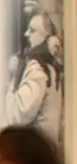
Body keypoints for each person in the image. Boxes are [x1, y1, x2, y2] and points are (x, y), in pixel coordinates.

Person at [6, 13, 62, 144]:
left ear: (46, 37)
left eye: (32, 30)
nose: (26, 34)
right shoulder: (50, 66)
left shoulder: (37, 68)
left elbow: (16, 115)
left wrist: (15, 75)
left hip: (35, 152)